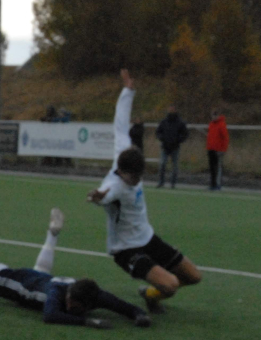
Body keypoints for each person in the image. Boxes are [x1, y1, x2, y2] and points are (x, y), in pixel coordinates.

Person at [87, 70, 203, 314]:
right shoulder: (114, 186)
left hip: (148, 238)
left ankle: (150, 293)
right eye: (134, 178)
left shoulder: (124, 152)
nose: (138, 181)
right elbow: (106, 196)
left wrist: (128, 91)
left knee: (193, 276)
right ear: (121, 172)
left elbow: (120, 123)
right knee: (170, 285)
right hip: (126, 249)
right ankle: (152, 295)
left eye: (140, 176)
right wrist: (98, 197)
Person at [0, 185, 150, 328]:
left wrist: (139, 315)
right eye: (68, 300)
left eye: (72, 304)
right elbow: (49, 316)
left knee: (40, 276)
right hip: (17, 281)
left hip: (40, 279)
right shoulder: (57, 294)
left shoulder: (95, 295)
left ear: (89, 303)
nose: (67, 304)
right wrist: (87, 322)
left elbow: (122, 306)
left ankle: (52, 234)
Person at [155, 104, 188, 188]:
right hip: (165, 146)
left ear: (175, 110)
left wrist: (178, 140)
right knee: (162, 164)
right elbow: (158, 132)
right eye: (170, 109)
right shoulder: (164, 122)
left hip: (175, 147)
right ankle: (161, 182)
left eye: (172, 109)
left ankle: (173, 183)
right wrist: (162, 138)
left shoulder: (180, 122)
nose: (171, 110)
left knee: (175, 166)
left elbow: (185, 134)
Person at [206, 108, 230, 191]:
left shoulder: (222, 125)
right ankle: (213, 184)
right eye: (213, 115)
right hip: (211, 149)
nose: (214, 117)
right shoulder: (211, 124)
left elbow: (225, 138)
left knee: (217, 168)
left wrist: (223, 150)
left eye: (215, 115)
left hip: (218, 150)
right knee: (212, 168)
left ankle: (218, 184)